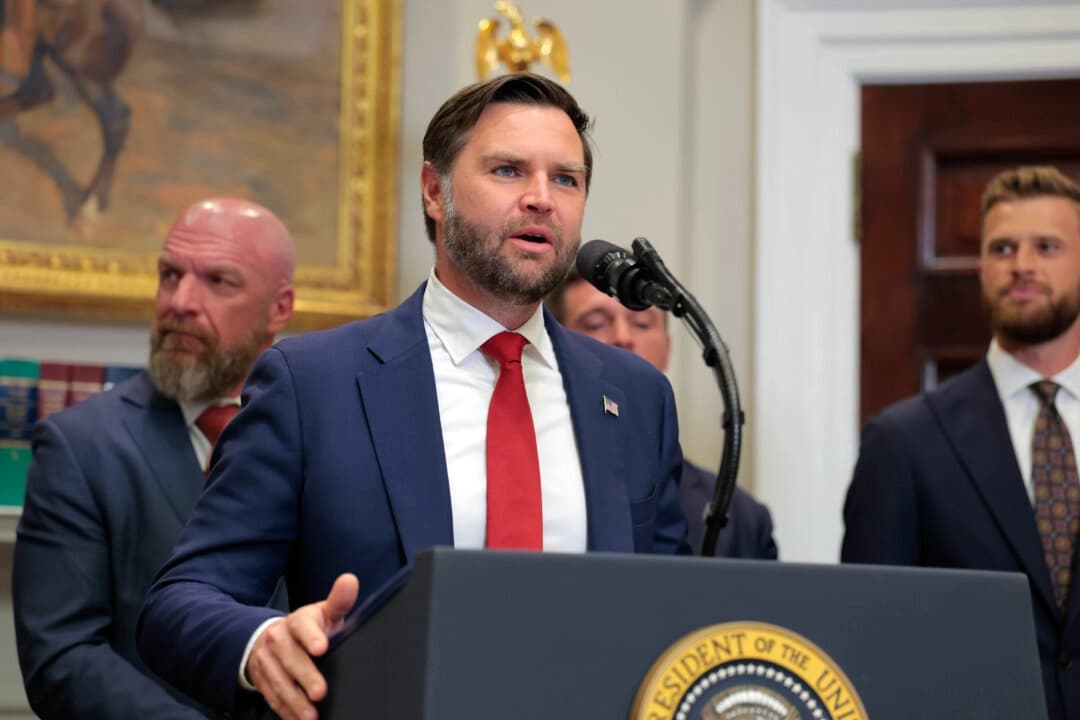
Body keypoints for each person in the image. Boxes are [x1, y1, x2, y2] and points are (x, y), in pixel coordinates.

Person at [137, 72, 688, 720]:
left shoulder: (636, 398)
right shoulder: (312, 384)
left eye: (565, 179)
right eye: (508, 170)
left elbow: (670, 615)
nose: (542, 199)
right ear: (434, 191)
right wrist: (261, 644)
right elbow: (181, 601)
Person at [12, 198, 296, 719]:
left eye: (218, 281)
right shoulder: (80, 447)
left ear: (279, 308)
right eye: (170, 275)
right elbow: (63, 657)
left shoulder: (324, 432)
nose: (180, 302)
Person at [841, 165, 1080, 719]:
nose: (1022, 265)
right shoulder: (903, 443)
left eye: (1046, 247)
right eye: (1002, 249)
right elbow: (872, 642)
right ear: (981, 269)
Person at [547, 269, 778, 558]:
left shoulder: (743, 519)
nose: (623, 337)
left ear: (667, 349)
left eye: (641, 324)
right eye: (596, 324)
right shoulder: (546, 479)